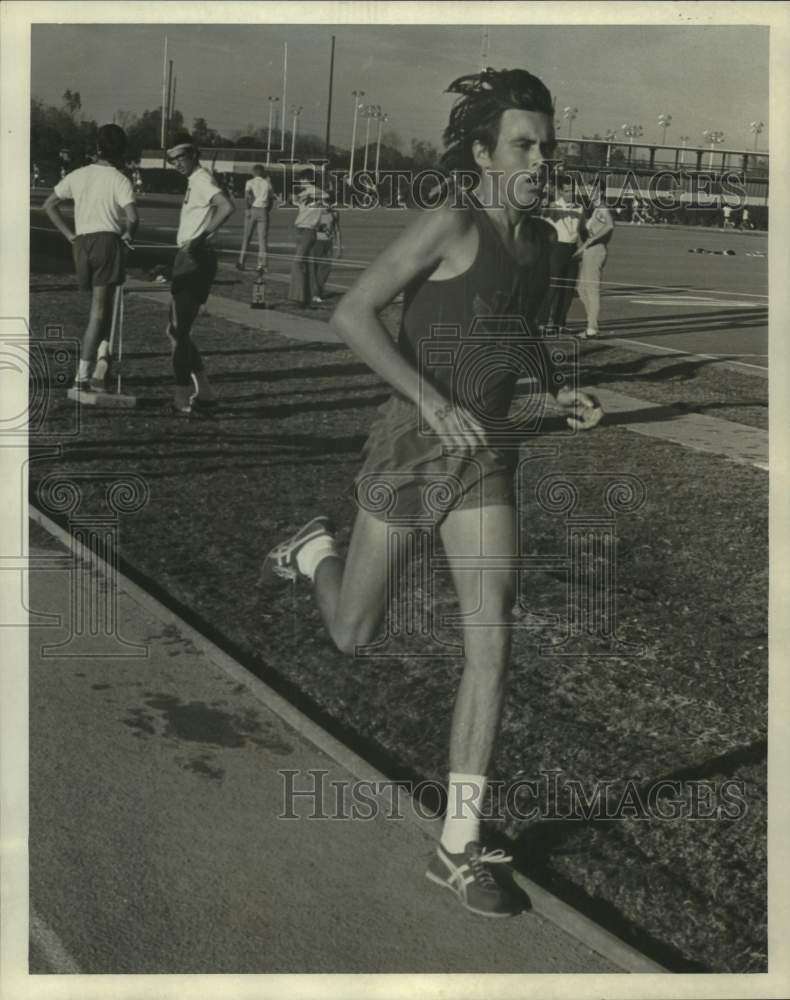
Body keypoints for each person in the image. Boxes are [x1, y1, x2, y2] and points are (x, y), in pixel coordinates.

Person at [260, 67, 603, 918]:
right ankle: (314, 552)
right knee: (353, 633)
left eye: (547, 146)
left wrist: (551, 399)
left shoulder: (542, 247)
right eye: (523, 145)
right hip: (415, 446)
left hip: (487, 458)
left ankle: (457, 842)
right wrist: (428, 399)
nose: (540, 160)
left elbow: (507, 357)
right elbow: (352, 313)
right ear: (483, 153)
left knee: (493, 638)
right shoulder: (452, 222)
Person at [43, 124, 138, 395]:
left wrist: (69, 236)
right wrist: (130, 234)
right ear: (121, 151)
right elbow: (132, 217)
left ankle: (102, 362)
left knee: (103, 303)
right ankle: (82, 375)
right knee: (99, 311)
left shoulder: (78, 174)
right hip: (107, 242)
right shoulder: (120, 179)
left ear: (98, 148)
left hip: (81, 244)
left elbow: (49, 205)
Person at [166, 138, 235, 416]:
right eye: (172, 161)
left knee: (178, 333)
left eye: (181, 158)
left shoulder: (201, 179)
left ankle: (182, 397)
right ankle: (204, 392)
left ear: (193, 155)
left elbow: (227, 206)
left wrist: (201, 238)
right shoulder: (195, 180)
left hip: (196, 259)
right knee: (176, 331)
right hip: (189, 257)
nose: (177, 164)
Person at [540, 174, 582, 331]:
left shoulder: (579, 206)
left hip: (573, 250)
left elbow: (583, 229)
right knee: (552, 287)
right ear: (560, 191)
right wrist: (546, 203)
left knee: (568, 289)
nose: (570, 194)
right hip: (557, 249)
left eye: (572, 191)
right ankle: (542, 322)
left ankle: (559, 323)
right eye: (567, 191)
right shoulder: (554, 206)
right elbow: (545, 213)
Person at [574, 192, 614, 339]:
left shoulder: (602, 208)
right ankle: (591, 324)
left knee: (591, 290)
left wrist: (590, 242)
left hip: (596, 250)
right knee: (581, 289)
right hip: (590, 251)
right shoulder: (596, 209)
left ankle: (592, 328)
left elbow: (609, 225)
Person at [288, 180, 322, 306]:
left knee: (297, 263)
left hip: (309, 230)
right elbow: (292, 200)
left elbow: (326, 195)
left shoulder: (318, 197)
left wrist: (309, 194)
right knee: (304, 264)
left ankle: (299, 297)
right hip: (300, 230)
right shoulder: (303, 196)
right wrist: (295, 196)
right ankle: (308, 295)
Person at [237, 164, 274, 272]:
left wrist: (247, 209)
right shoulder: (268, 183)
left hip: (252, 209)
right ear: (262, 172)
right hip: (263, 210)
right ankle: (262, 265)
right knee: (262, 240)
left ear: (253, 172)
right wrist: (267, 210)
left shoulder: (249, 182)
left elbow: (247, 196)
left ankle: (241, 261)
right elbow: (271, 199)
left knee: (247, 237)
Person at [311, 195, 342, 303]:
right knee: (314, 269)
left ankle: (317, 293)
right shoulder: (316, 212)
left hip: (328, 243)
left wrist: (339, 247)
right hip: (316, 243)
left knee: (325, 269)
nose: (329, 205)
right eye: (326, 202)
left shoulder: (335, 213)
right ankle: (314, 293)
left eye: (331, 202)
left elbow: (337, 230)